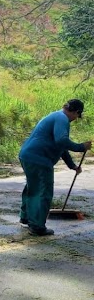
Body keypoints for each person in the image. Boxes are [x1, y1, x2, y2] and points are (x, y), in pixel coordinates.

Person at [18, 99, 91, 236]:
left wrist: (72, 166)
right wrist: (80, 147)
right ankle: (37, 226)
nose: (75, 119)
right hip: (39, 159)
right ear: (76, 112)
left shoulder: (56, 116)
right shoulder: (62, 119)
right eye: (77, 116)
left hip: (28, 155)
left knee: (33, 188)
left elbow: (61, 147)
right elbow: (62, 140)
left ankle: (26, 218)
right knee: (43, 192)